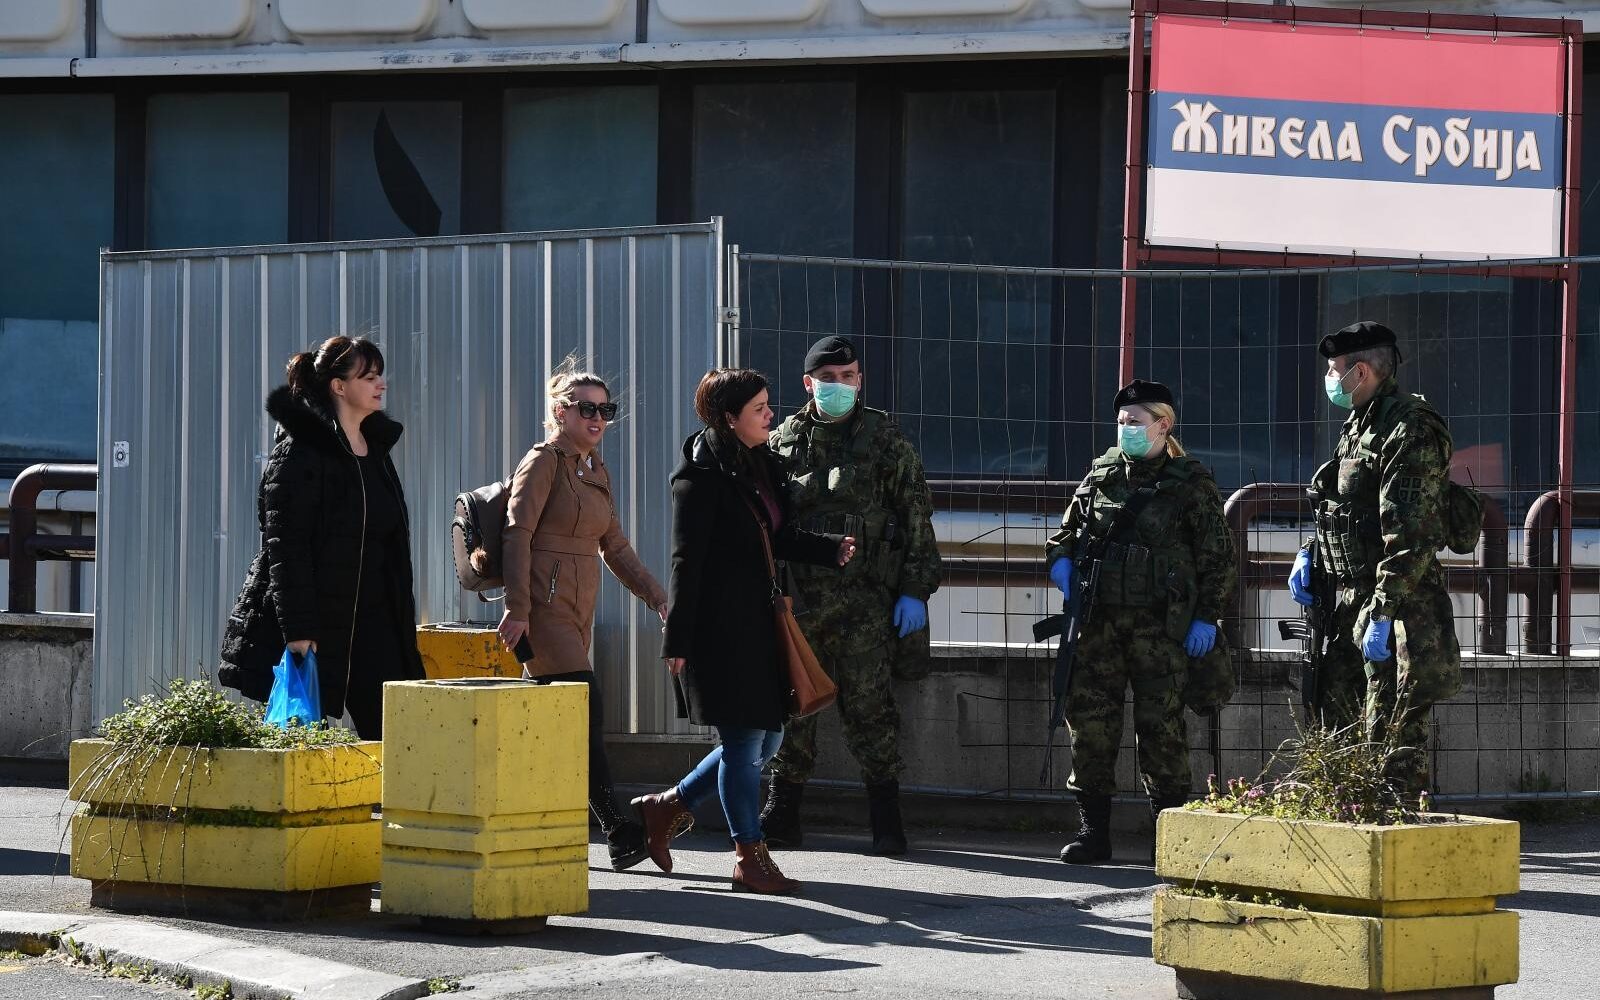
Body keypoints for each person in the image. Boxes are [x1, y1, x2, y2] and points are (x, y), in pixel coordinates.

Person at [631, 368, 856, 895]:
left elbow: (776, 536)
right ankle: (748, 858)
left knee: (767, 739)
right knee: (743, 742)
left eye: (768, 405)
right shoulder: (698, 477)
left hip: (760, 622)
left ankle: (668, 805)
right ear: (729, 418)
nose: (770, 415)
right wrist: (678, 639)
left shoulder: (759, 464)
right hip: (718, 629)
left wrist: (829, 549)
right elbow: (686, 561)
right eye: (759, 409)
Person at [762, 335, 941, 855]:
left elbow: (916, 520)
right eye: (828, 378)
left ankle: (886, 820)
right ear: (808, 383)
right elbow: (763, 522)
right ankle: (783, 813)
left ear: (860, 380)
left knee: (871, 709)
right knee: (795, 704)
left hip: (867, 601)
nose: (838, 385)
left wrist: (914, 591)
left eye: (847, 377)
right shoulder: (782, 443)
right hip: (800, 600)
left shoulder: (886, 441)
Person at [1044, 379, 1235, 864]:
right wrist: (1061, 563)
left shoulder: (1190, 483)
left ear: (1163, 425)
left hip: (1161, 628)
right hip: (1099, 625)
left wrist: (1206, 617)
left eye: (1135, 421)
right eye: (1121, 421)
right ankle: (1093, 833)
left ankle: (1167, 839)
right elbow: (1067, 532)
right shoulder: (1102, 474)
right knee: (1090, 725)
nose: (1125, 428)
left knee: (1161, 730)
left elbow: (1217, 559)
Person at [493, 359, 670, 873]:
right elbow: (517, 534)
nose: (597, 419)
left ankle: (527, 823)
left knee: (557, 725)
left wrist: (658, 597)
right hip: (542, 608)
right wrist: (517, 609)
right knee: (583, 711)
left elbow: (615, 546)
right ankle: (617, 829)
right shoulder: (543, 460)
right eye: (586, 409)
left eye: (605, 410)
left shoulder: (596, 470)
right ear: (560, 412)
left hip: (578, 607)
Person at [220, 335, 425, 739]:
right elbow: (285, 549)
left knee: (399, 736)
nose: (381, 384)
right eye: (369, 377)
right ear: (338, 386)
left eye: (380, 375)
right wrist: (298, 630)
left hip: (376, 619)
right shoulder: (301, 452)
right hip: (318, 619)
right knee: (304, 740)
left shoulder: (377, 451)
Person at [1287, 321, 1460, 790]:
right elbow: (1346, 507)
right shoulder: (1361, 423)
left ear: (1359, 372)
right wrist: (1310, 553)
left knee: (1390, 738)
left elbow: (1410, 533)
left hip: (1397, 602)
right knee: (1338, 724)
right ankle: (1348, 820)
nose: (1329, 379)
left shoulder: (1410, 428)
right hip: (1350, 598)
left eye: (1333, 370)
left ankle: (1396, 823)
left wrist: (1383, 612)